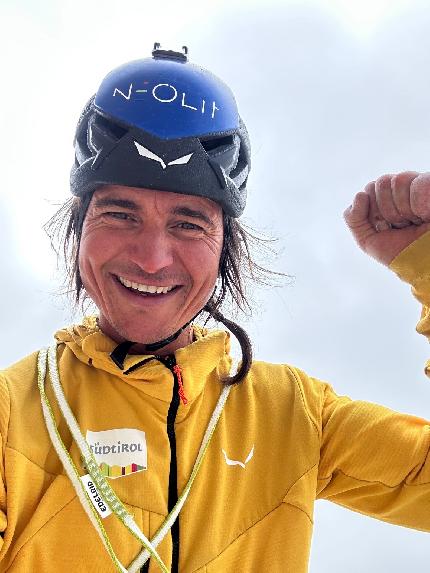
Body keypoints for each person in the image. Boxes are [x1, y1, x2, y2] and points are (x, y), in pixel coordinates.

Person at [0, 44, 430, 573]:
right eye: (119, 213)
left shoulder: (293, 416)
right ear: (77, 229)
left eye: (187, 223)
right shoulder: (11, 416)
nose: (152, 260)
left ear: (227, 247)